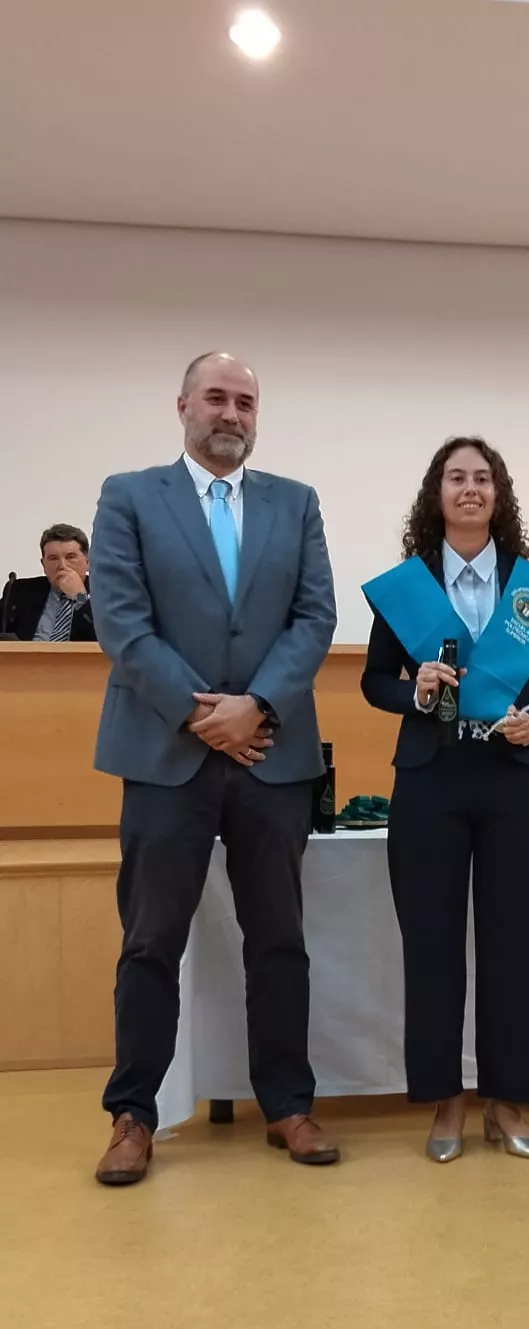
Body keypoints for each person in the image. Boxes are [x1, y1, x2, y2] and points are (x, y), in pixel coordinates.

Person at [89, 351, 338, 1186]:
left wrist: (255, 707)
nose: (232, 414)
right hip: (166, 755)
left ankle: (289, 1106)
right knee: (150, 942)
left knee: (280, 942)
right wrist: (205, 717)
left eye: (246, 402)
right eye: (217, 398)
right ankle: (133, 1115)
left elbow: (315, 618)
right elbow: (122, 622)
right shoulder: (130, 497)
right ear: (183, 407)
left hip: (272, 754)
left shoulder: (295, 503)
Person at [361, 436, 529, 1162]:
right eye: (456, 477)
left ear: (499, 494)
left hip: (512, 777)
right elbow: (374, 681)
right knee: (432, 944)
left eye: (483, 477)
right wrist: (414, 693)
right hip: (430, 778)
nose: (470, 488)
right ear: (437, 493)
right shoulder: (408, 587)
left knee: (516, 944)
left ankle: (506, 1103)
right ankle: (444, 1102)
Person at [5, 524, 97, 641]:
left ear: (87, 562)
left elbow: (110, 636)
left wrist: (80, 597)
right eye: (53, 558)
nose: (62, 566)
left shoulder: (107, 593)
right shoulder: (19, 591)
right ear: (43, 565)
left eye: (70, 557)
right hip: (29, 653)